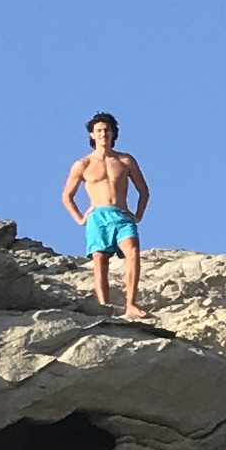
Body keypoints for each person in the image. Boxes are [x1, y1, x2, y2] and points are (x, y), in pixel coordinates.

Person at [63, 112, 149, 317]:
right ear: (92, 135)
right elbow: (67, 196)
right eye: (99, 130)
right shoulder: (83, 164)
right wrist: (80, 218)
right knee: (100, 260)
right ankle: (104, 307)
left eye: (107, 130)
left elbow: (144, 191)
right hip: (98, 216)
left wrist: (138, 215)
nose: (103, 134)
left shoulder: (125, 160)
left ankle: (131, 304)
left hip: (121, 215)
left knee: (133, 251)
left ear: (113, 133)